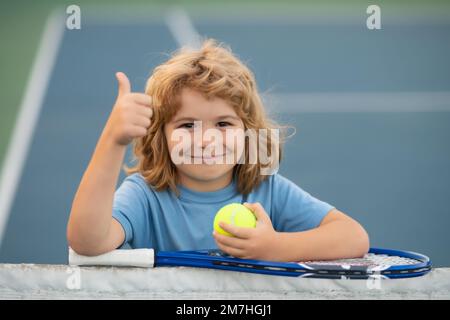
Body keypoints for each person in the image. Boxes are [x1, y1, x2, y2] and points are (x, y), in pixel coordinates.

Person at [67, 39, 369, 262]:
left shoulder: (267, 190)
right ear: (161, 137)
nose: (206, 140)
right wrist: (113, 141)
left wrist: (274, 247)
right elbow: (87, 242)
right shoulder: (145, 196)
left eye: (223, 123)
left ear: (247, 132)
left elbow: (353, 237)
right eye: (187, 125)